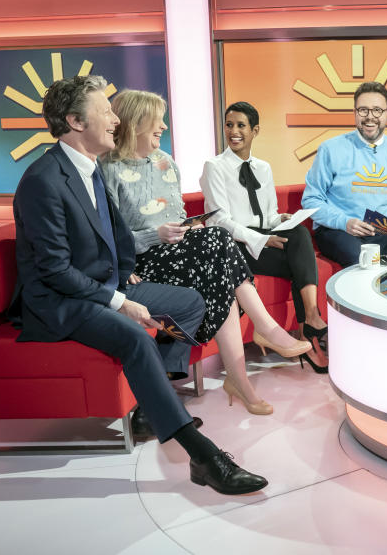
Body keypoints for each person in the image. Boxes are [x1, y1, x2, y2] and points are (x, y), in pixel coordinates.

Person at [10, 75, 266, 494]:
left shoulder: (88, 169)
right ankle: (203, 456)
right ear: (75, 121)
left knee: (189, 303)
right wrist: (118, 301)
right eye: (106, 111)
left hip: (101, 286)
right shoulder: (44, 179)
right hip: (59, 301)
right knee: (135, 339)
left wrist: (128, 274)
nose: (116, 119)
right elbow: (54, 271)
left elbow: (118, 238)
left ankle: (151, 403)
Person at [101, 90, 311, 415]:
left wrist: (188, 227)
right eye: (156, 121)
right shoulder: (107, 170)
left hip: (176, 251)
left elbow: (176, 212)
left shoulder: (165, 163)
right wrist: (153, 235)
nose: (163, 127)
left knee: (214, 247)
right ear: (136, 124)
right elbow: (107, 235)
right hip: (142, 260)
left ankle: (240, 376)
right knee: (218, 243)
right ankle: (263, 334)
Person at [200, 101, 328, 373]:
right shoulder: (215, 166)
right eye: (229, 125)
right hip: (233, 245)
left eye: (241, 126)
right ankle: (311, 326)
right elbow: (219, 220)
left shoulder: (263, 168)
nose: (234, 131)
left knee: (299, 233)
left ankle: (308, 327)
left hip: (262, 235)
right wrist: (262, 239)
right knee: (301, 261)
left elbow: (268, 215)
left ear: (255, 130)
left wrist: (279, 221)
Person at [302, 81, 387, 267]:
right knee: (362, 259)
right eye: (363, 110)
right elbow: (311, 200)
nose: (370, 117)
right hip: (338, 231)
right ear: (355, 113)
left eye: (377, 110)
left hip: (383, 233)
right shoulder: (330, 149)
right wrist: (345, 222)